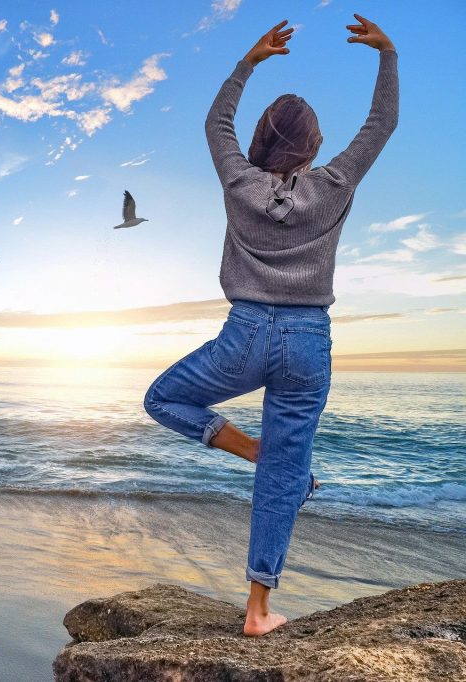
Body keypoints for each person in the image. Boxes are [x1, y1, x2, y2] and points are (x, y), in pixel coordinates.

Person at [143, 14, 398, 636]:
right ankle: (258, 610)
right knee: (286, 468)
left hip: (244, 333)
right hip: (308, 340)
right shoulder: (334, 184)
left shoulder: (238, 180)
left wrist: (249, 62)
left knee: (162, 398)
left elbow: (215, 123)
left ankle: (253, 452)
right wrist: (386, 54)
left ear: (262, 138)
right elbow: (380, 125)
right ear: (313, 147)